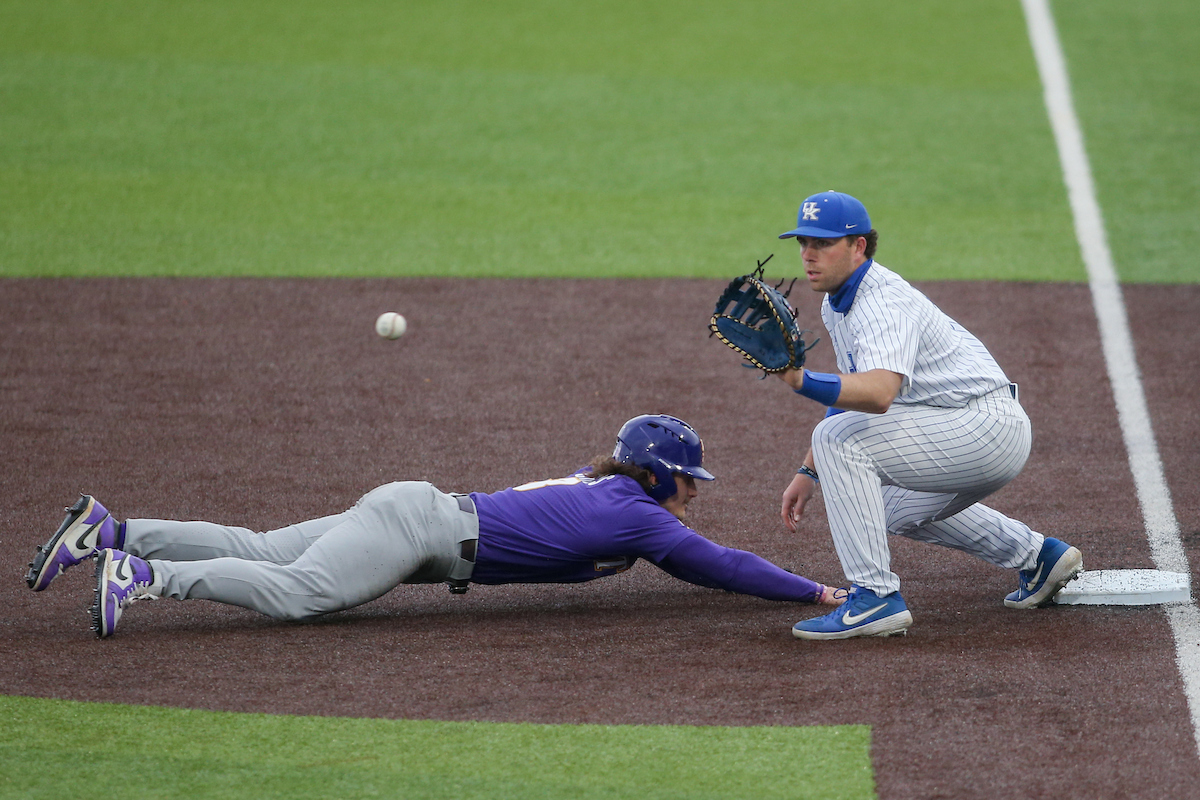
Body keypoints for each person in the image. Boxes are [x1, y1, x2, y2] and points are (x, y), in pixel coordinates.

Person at [26, 414, 847, 638]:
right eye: (690, 480)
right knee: (299, 592)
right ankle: (143, 573)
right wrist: (812, 588)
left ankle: (110, 531)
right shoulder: (635, 513)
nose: (693, 495)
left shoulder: (603, 489)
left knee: (262, 548)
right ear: (664, 473)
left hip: (417, 512)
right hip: (421, 534)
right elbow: (722, 566)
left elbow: (706, 556)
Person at [770, 191, 1083, 640]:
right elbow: (852, 393)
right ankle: (1039, 558)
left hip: (982, 427)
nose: (808, 255)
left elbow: (878, 395)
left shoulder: (882, 302)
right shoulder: (836, 301)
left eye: (822, 244)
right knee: (881, 507)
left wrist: (801, 380)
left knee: (841, 439)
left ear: (859, 246)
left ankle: (874, 598)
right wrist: (808, 471)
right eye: (803, 242)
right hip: (963, 426)